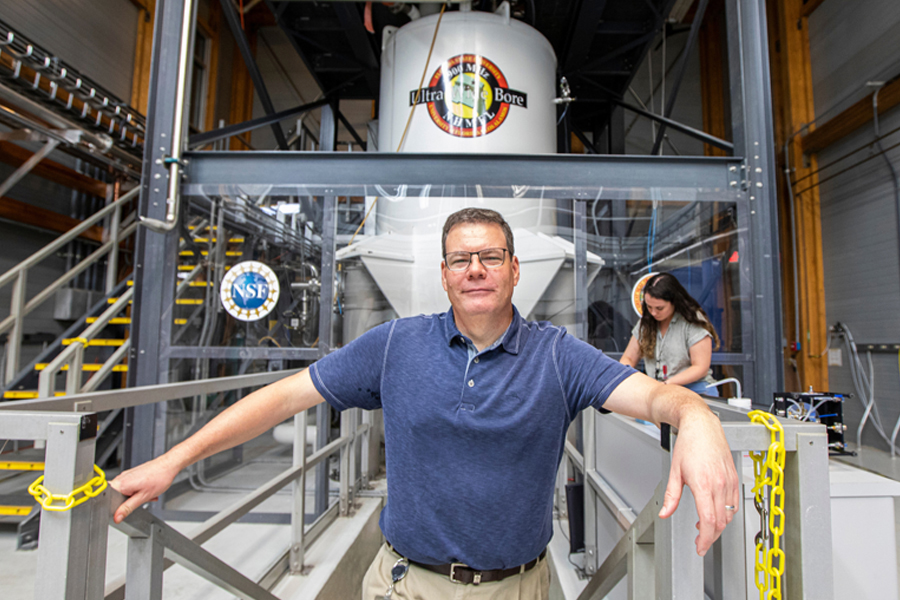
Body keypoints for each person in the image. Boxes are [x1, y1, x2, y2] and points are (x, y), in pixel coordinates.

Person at [110, 208, 739, 600]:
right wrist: (175, 459)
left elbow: (655, 395)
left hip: (519, 589)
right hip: (405, 586)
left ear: (515, 269)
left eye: (490, 257)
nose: (475, 270)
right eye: (461, 259)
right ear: (443, 274)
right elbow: (284, 397)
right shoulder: (393, 346)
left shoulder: (559, 356)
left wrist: (698, 417)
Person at [620, 272, 722, 396]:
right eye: (649, 307)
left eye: (659, 308)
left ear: (674, 302)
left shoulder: (692, 321)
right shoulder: (645, 322)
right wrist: (622, 377)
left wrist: (667, 384)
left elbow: (700, 367)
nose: (653, 313)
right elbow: (629, 358)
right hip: (659, 390)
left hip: (695, 390)